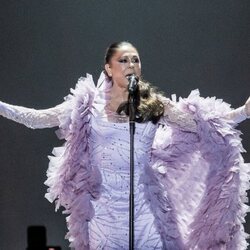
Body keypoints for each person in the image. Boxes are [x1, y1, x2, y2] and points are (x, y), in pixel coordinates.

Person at [0, 41, 250, 250]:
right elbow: (38, 118)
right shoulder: (88, 105)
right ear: (108, 68)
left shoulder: (153, 104)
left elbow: (204, 124)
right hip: (103, 213)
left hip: (145, 211)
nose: (131, 65)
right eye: (124, 60)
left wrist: (243, 112)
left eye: (136, 60)